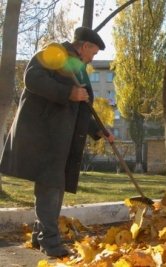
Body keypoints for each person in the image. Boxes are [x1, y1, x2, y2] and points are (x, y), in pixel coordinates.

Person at [0, 27, 114, 257]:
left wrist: (98, 130)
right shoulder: (54, 53)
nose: (93, 58)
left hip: (61, 137)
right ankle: (50, 243)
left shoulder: (78, 68)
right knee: (51, 186)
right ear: (84, 47)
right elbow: (32, 78)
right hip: (43, 134)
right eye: (94, 52)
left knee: (53, 186)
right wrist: (67, 93)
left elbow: (82, 106)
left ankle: (39, 237)